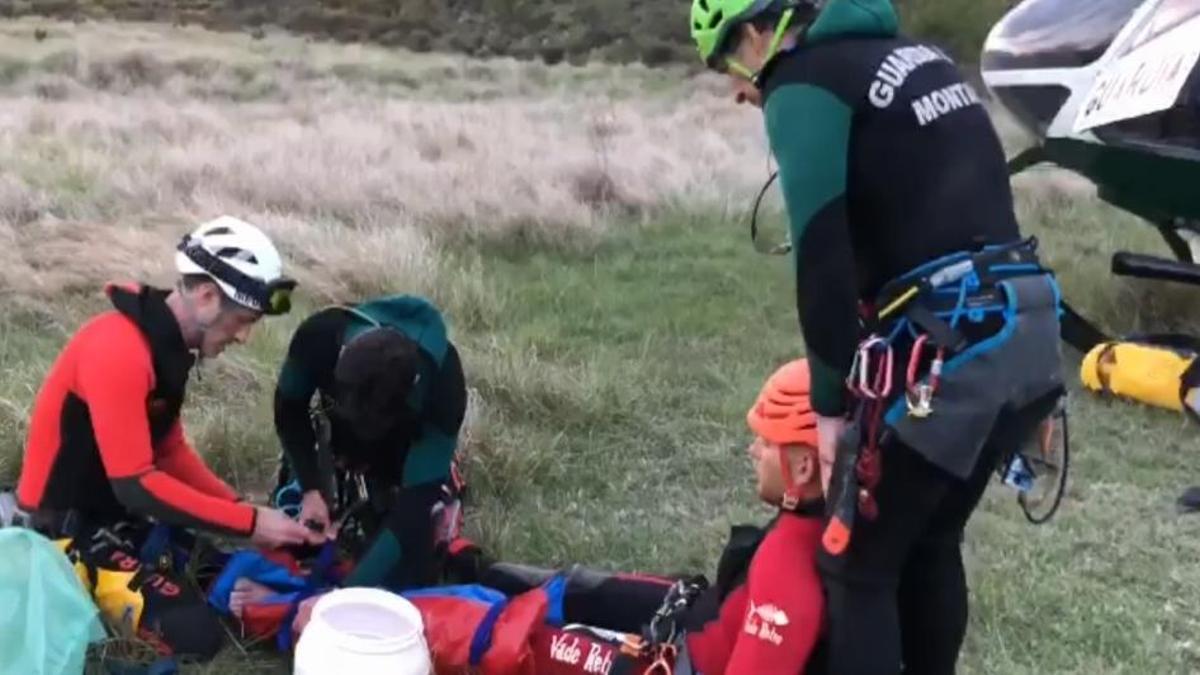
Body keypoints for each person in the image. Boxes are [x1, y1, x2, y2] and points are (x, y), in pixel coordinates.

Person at [689, 1, 1066, 673]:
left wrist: (829, 412)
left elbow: (822, 253)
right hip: (1024, 323)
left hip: (955, 347)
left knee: (857, 562)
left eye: (726, 61)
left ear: (754, 33)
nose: (736, 87)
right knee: (928, 537)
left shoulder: (803, 81)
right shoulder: (920, 59)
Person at [286, 358, 828, 675]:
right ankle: (462, 568)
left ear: (803, 466)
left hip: (673, 658)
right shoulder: (817, 525)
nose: (753, 452)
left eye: (766, 442)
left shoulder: (789, 577)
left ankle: (340, 621)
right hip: (693, 612)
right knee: (554, 587)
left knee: (506, 636)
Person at [14, 215, 322, 660]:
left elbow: (169, 450)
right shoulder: (118, 348)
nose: (244, 336)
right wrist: (249, 524)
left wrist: (239, 508)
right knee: (199, 636)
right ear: (206, 296)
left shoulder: (168, 349)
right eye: (241, 320)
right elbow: (137, 485)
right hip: (62, 533)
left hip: (121, 518)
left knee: (237, 575)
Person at [271, 294, 469, 590]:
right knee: (297, 544)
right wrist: (310, 488)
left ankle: (444, 485)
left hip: (401, 447)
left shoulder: (443, 388)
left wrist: (344, 597)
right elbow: (289, 410)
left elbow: (412, 509)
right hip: (335, 430)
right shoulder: (319, 337)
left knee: (411, 573)